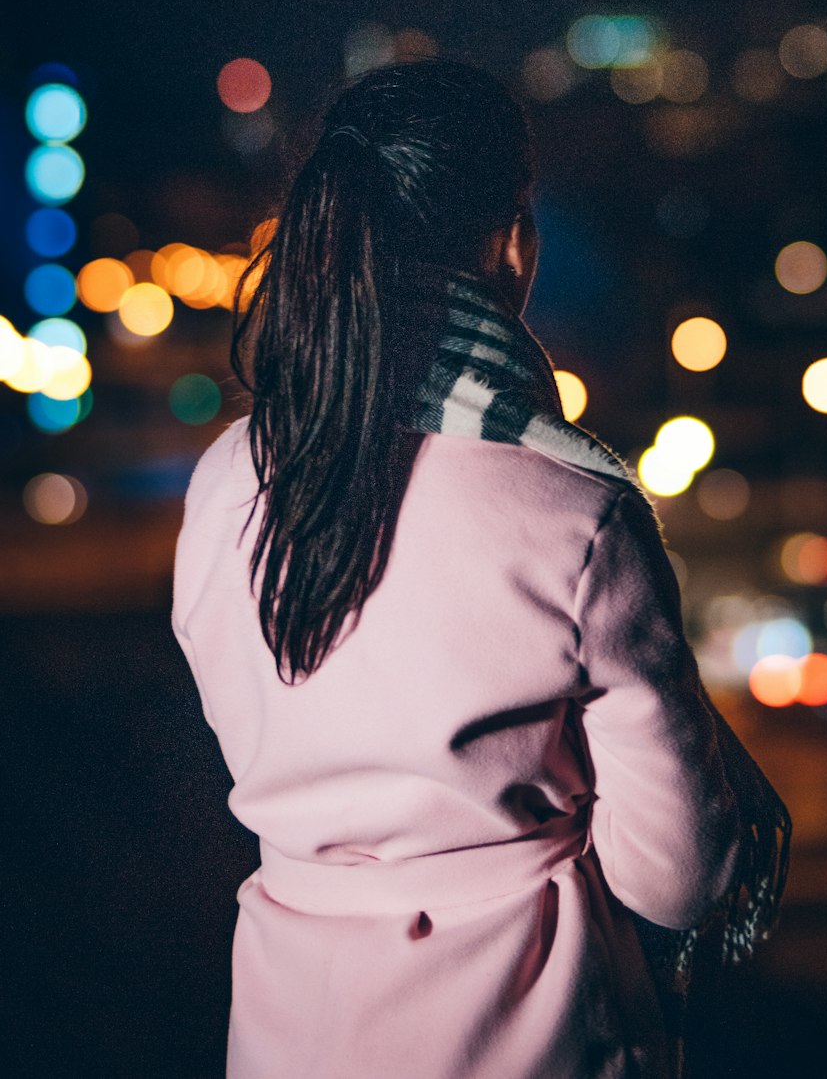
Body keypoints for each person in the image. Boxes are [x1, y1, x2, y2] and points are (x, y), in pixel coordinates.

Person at [172, 58, 789, 1079]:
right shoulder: (572, 508)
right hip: (535, 1027)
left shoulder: (224, 482)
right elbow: (680, 876)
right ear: (511, 240)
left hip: (291, 1025)